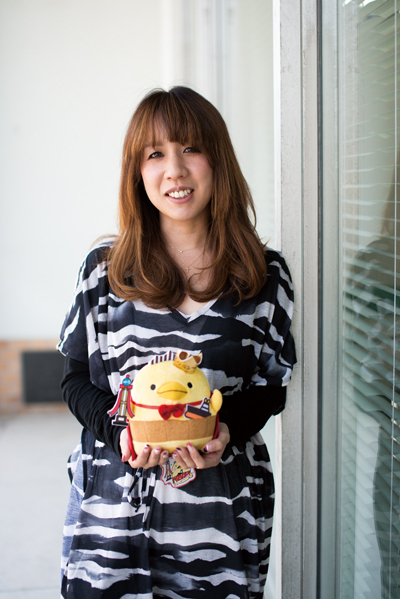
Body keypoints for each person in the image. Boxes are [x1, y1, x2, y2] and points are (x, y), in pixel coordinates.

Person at [58, 86, 296, 599]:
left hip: (221, 515)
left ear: (218, 160)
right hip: (112, 514)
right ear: (137, 171)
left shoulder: (264, 274)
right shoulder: (104, 270)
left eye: (191, 148)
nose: (175, 170)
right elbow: (75, 381)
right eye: (155, 154)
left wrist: (225, 428)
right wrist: (121, 432)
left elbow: (271, 388)